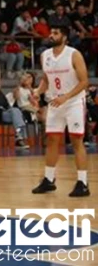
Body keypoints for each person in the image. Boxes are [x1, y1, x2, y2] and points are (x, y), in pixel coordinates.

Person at [32, 23, 91, 197]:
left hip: (73, 102)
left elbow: (84, 82)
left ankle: (82, 182)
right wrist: (37, 91)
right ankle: (49, 180)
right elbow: (46, 79)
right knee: (51, 140)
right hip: (55, 102)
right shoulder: (45, 55)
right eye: (51, 32)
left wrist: (66, 97)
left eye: (55, 33)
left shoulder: (74, 54)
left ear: (64, 37)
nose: (51, 35)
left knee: (76, 141)